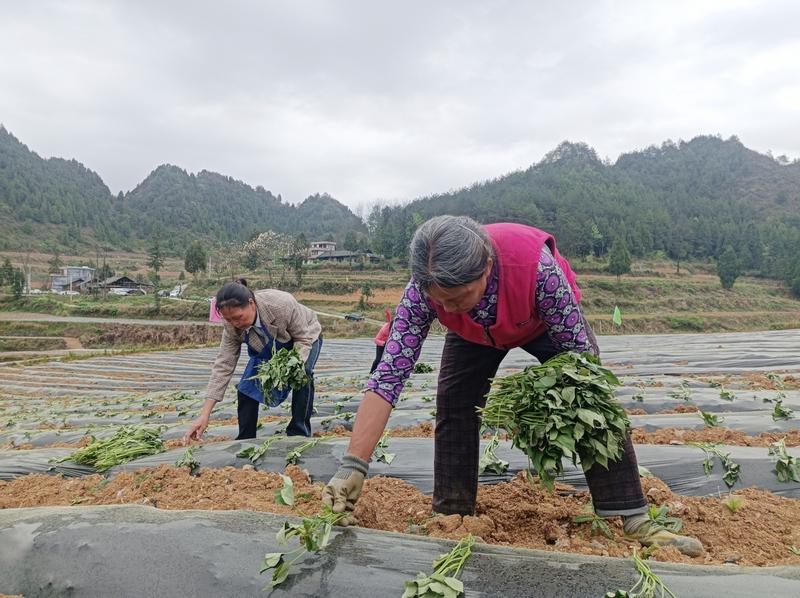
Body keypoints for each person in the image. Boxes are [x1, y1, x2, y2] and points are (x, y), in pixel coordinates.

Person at [322, 216, 703, 556]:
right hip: (473, 337)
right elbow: (389, 375)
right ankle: (451, 514)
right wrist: (353, 465)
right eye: (441, 302)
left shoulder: (538, 270)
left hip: (540, 321)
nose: (450, 308)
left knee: (589, 397)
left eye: (458, 298)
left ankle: (630, 514)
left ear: (486, 267)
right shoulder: (423, 293)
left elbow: (582, 365)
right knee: (454, 404)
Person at [184, 279, 322, 441]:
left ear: (251, 303)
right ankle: (246, 437)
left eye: (238, 317)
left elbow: (302, 339)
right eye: (229, 320)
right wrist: (204, 415)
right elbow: (224, 364)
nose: (235, 323)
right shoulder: (232, 326)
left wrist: (289, 368)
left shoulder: (280, 305)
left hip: (305, 336)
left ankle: (299, 431)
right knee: (246, 387)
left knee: (302, 374)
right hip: (265, 345)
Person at [369, 309, 392, 374]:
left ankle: (384, 372)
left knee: (388, 360)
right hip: (381, 345)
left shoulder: (393, 326)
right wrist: (383, 343)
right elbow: (376, 340)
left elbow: (389, 318)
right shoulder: (384, 330)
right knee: (378, 359)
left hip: (388, 344)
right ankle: (371, 372)